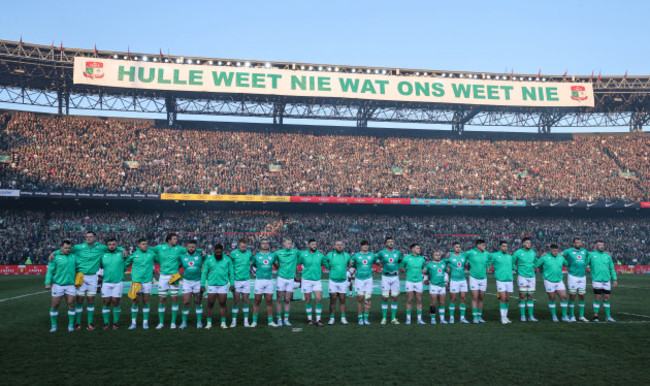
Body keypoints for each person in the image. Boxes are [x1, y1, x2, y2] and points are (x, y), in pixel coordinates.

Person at [50, 231, 126, 331]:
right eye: (87, 237)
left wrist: (123, 249)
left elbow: (112, 247)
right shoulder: (79, 247)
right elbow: (66, 249)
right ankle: (78, 323)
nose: (88, 238)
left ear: (95, 238)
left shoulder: (100, 248)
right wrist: (53, 253)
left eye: (90, 237)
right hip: (81, 277)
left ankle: (90, 324)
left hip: (93, 278)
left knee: (91, 300)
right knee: (80, 300)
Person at [149, 233, 198, 329]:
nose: (176, 240)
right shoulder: (159, 247)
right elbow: (148, 249)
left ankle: (173, 322)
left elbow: (191, 249)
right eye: (174, 239)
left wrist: (201, 251)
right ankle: (161, 323)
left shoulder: (179, 249)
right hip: (163, 276)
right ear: (169, 240)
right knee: (162, 299)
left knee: (174, 299)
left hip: (174, 276)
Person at [45, 241, 77, 332]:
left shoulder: (74, 256)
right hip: (57, 285)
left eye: (69, 248)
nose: (68, 250)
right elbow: (50, 271)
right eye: (66, 248)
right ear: (61, 247)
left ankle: (70, 325)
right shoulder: (55, 257)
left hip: (71, 285)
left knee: (71, 304)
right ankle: (53, 325)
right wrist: (48, 283)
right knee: (55, 304)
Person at [124, 238, 157, 330]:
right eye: (143, 244)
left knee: (146, 301)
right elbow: (126, 264)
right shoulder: (133, 254)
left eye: (146, 244)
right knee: (135, 301)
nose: (145, 245)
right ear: (138, 245)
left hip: (147, 281)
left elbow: (159, 259)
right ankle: (133, 323)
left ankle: (145, 322)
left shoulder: (151, 253)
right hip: (136, 282)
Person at [200, 244, 234, 329]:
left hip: (223, 284)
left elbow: (231, 273)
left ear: (222, 251)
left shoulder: (227, 259)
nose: (218, 253)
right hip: (212, 284)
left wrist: (232, 284)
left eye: (220, 252)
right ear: (214, 251)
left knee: (222, 303)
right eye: (217, 252)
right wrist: (202, 284)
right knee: (210, 303)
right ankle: (209, 323)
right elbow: (204, 273)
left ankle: (223, 323)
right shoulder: (209, 259)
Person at [535, 244, 570, 322]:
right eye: (554, 251)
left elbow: (567, 264)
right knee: (552, 298)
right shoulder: (545, 258)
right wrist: (540, 259)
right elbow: (536, 265)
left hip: (559, 280)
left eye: (557, 251)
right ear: (550, 250)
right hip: (549, 280)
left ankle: (564, 316)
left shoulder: (561, 257)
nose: (555, 252)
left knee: (564, 297)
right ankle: (554, 316)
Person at [297, 239, 327, 326]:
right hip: (306, 280)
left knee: (319, 299)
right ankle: (309, 320)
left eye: (315, 244)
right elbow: (295, 262)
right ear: (308, 245)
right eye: (312, 244)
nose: (314, 246)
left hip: (317, 280)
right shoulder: (303, 255)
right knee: (308, 299)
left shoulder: (320, 255)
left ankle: (318, 320)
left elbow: (326, 264)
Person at [588, 240, 618, 322]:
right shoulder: (591, 255)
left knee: (607, 297)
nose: (602, 246)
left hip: (606, 280)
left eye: (602, 245)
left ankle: (608, 316)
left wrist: (614, 279)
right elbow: (584, 263)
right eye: (600, 245)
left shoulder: (608, 256)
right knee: (597, 297)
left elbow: (611, 268)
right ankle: (595, 316)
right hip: (596, 280)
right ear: (596, 246)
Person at [562, 237, 591, 322]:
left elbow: (591, 255)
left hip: (582, 276)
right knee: (572, 296)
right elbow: (559, 255)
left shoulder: (584, 251)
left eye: (580, 242)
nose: (579, 243)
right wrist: (566, 263)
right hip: (572, 276)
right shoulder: (569, 251)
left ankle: (581, 316)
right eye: (577, 242)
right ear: (573, 244)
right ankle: (572, 315)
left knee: (582, 296)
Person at [100, 238, 126, 330]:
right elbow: (99, 266)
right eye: (110, 244)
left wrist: (122, 249)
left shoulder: (121, 253)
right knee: (106, 302)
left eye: (114, 244)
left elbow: (129, 260)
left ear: (117, 245)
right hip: (106, 282)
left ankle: (115, 323)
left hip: (118, 282)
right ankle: (106, 323)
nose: (112, 246)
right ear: (107, 245)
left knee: (115, 301)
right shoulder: (103, 254)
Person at [251, 239, 278, 327]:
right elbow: (253, 264)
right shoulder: (256, 256)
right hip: (259, 280)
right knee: (257, 301)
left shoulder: (272, 255)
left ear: (269, 245)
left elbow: (277, 265)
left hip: (269, 280)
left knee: (269, 301)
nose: (265, 245)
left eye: (267, 243)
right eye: (263, 243)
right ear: (260, 245)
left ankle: (270, 321)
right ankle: (254, 321)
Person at [178, 240, 205, 329]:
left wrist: (200, 250)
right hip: (186, 282)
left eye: (193, 247)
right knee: (186, 302)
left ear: (196, 247)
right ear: (187, 247)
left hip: (197, 281)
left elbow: (208, 257)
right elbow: (177, 266)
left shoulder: (200, 256)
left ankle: (199, 322)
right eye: (190, 246)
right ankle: (184, 322)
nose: (191, 248)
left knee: (198, 302)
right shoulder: (182, 257)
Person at [376, 237, 403, 325]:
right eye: (389, 242)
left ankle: (393, 318)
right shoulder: (382, 252)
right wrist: (379, 263)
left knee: (394, 297)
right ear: (386, 244)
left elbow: (400, 261)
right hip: (385, 277)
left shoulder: (398, 253)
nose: (391, 243)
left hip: (395, 277)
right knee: (385, 297)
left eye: (392, 241)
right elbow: (375, 258)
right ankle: (384, 318)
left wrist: (396, 268)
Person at [274, 238, 300, 326]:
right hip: (281, 278)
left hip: (290, 279)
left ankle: (286, 319)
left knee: (287, 299)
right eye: (288, 243)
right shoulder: (278, 253)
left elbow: (304, 255)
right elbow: (272, 259)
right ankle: (279, 319)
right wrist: (277, 266)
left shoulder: (295, 252)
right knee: (279, 299)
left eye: (291, 243)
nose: (290, 245)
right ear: (284, 244)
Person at [350, 240, 378, 325]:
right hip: (359, 279)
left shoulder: (372, 255)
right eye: (364, 245)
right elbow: (352, 264)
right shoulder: (356, 255)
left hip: (369, 279)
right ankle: (360, 318)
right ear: (361, 246)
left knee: (368, 298)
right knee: (360, 298)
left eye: (367, 245)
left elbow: (378, 262)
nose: (366, 246)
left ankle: (366, 318)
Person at [325, 240, 352, 325]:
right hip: (333, 280)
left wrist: (348, 267)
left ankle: (343, 318)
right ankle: (332, 318)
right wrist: (328, 267)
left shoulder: (347, 255)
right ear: (334, 246)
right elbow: (324, 262)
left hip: (343, 281)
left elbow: (350, 263)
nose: (339, 246)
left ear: (343, 246)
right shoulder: (330, 255)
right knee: (333, 299)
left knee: (342, 299)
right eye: (337, 245)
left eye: (341, 245)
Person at [488, 241, 515, 324]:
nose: (505, 248)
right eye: (503, 246)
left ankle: (505, 317)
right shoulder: (495, 255)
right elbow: (488, 262)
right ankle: (502, 318)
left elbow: (514, 266)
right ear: (500, 247)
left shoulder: (510, 257)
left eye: (506, 246)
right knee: (502, 298)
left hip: (509, 280)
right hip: (500, 280)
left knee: (507, 299)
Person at [512, 237, 539, 322]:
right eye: (527, 243)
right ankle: (523, 316)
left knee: (530, 296)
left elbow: (536, 262)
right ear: (523, 244)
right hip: (522, 277)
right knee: (522, 296)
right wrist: (517, 270)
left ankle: (531, 316)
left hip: (531, 276)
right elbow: (512, 262)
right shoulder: (518, 253)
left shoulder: (533, 252)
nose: (529, 244)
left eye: (530, 243)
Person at [229, 238, 253, 328]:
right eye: (242, 246)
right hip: (236, 280)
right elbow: (229, 265)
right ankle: (234, 321)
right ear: (239, 245)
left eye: (245, 246)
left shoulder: (249, 253)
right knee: (236, 301)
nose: (244, 247)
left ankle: (246, 321)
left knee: (245, 301)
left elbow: (253, 261)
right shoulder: (233, 253)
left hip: (246, 280)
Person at [400, 243, 426, 325]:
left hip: (419, 281)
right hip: (409, 281)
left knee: (419, 300)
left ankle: (419, 319)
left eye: (419, 248)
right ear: (412, 249)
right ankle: (408, 319)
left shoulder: (422, 259)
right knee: (409, 300)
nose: (419, 249)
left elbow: (423, 269)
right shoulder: (406, 258)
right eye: (417, 248)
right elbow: (401, 266)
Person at [465, 239, 490, 323]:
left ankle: (479, 316)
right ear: (478, 245)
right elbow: (460, 255)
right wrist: (450, 254)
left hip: (483, 278)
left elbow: (493, 258)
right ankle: (475, 317)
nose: (485, 246)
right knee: (475, 297)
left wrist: (488, 265)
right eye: (483, 245)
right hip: (473, 278)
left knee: (481, 298)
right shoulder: (471, 252)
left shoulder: (486, 253)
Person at [445, 242, 469, 324]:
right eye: (456, 247)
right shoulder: (450, 255)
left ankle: (462, 318)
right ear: (453, 248)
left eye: (459, 247)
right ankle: (451, 317)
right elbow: (443, 263)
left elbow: (466, 266)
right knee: (453, 298)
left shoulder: (463, 256)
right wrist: (447, 273)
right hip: (454, 280)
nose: (458, 248)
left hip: (463, 280)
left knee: (463, 298)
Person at [424, 250, 448, 324]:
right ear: (433, 256)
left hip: (442, 286)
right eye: (436, 255)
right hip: (434, 285)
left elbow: (447, 273)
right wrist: (425, 278)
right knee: (433, 303)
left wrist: (447, 282)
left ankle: (442, 319)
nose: (438, 256)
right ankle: (433, 319)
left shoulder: (443, 264)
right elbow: (424, 272)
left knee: (442, 303)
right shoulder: (429, 264)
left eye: (439, 255)